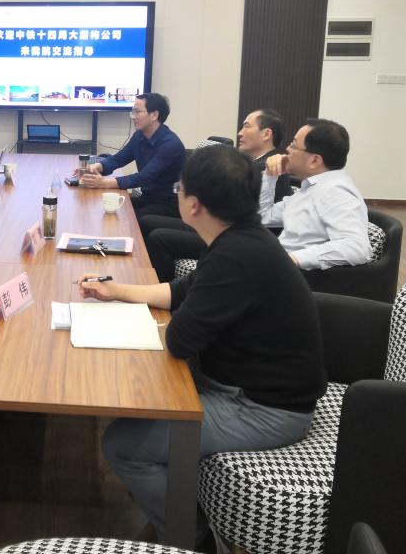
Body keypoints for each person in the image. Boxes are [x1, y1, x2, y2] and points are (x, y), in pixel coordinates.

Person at [78, 145, 326, 543]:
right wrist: (115, 291)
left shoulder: (236, 257)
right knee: (142, 394)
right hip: (247, 385)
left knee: (123, 444)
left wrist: (127, 328)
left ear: (193, 204)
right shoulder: (241, 240)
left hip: (265, 409)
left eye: (179, 188)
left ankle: (191, 536)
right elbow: (181, 291)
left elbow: (179, 341)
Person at [141, 108, 291, 281]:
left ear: (266, 134)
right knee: (147, 222)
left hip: (235, 237)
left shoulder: (273, 167)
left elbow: (258, 216)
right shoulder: (248, 163)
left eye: (246, 126)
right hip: (220, 225)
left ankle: (161, 293)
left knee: (160, 238)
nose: (240, 133)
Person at [261, 118, 371, 270]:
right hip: (275, 264)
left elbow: (357, 247)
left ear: (314, 160)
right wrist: (270, 175)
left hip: (296, 275)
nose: (287, 149)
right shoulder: (312, 187)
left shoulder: (336, 192)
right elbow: (263, 217)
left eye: (293, 145)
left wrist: (292, 259)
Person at [79, 93, 186, 217]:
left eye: (137, 112)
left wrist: (104, 182)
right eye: (133, 112)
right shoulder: (140, 135)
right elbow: (119, 159)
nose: (133, 117)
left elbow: (144, 177)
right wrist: (97, 166)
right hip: (149, 198)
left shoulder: (170, 144)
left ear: (154, 115)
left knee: (126, 218)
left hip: (170, 204)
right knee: (108, 208)